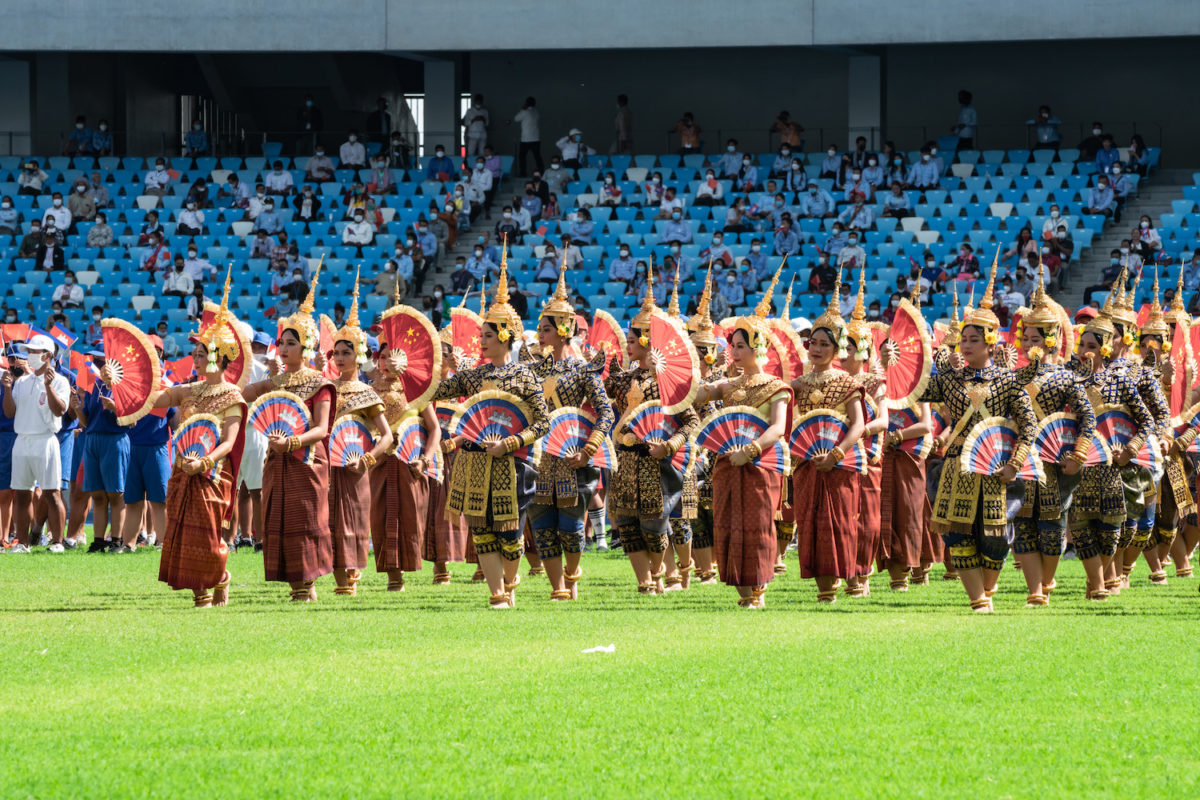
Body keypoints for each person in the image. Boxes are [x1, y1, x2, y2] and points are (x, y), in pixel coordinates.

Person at [433, 252, 550, 608]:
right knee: (481, 531)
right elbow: (435, 392)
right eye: (481, 335)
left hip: (512, 463)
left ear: (505, 336)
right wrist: (423, 370)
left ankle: (509, 585)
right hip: (474, 462)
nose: (481, 341)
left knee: (510, 534)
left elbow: (543, 422)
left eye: (487, 335)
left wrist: (512, 442)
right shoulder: (473, 376)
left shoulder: (525, 376)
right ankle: (496, 593)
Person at [920, 262, 1037, 612]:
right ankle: (977, 599)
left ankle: (986, 587)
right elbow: (911, 391)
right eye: (963, 340)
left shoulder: (1008, 381)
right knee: (958, 533)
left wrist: (1015, 464)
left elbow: (1029, 425)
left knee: (995, 539)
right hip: (958, 466)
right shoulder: (949, 379)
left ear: (990, 342)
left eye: (974, 340)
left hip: (995, 468)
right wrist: (893, 365)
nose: (966, 345)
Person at [692, 272, 791, 607]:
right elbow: (696, 395)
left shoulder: (776, 387)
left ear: (757, 348)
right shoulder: (728, 385)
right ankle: (743, 592)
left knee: (758, 526)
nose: (733, 352)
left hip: (760, 465)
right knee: (728, 525)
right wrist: (679, 367)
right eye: (732, 346)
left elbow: (777, 428)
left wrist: (749, 451)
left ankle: (758, 591)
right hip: (727, 466)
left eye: (740, 346)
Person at [242, 267, 334, 602]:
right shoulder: (274, 383)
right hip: (277, 461)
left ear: (306, 347)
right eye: (281, 342)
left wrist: (292, 442)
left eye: (291, 343)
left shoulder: (320, 383)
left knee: (306, 519)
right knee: (278, 518)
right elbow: (240, 394)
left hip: (307, 461)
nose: (282, 347)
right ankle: (297, 585)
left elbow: (321, 429)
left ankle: (307, 583)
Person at [154, 275, 247, 605]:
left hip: (212, 473)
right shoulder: (188, 390)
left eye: (201, 352)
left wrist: (205, 462)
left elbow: (229, 441)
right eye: (194, 352)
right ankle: (200, 594)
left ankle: (220, 577)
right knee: (182, 533)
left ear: (218, 357)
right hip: (183, 469)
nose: (194, 356)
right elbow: (154, 400)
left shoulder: (232, 395)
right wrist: (121, 389)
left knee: (207, 534)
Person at [605, 270, 699, 594]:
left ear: (647, 341)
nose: (627, 345)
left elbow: (691, 421)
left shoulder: (668, 381)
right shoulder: (620, 380)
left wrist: (669, 446)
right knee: (627, 523)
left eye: (632, 340)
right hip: (624, 459)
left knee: (656, 524)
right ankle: (644, 583)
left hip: (657, 461)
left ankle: (664, 574)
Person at [527, 270, 614, 600]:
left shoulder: (582, 370)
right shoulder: (532, 371)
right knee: (542, 526)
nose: (540, 334)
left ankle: (571, 579)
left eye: (546, 329)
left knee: (571, 527)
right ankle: (557, 588)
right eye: (540, 329)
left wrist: (589, 449)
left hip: (572, 457)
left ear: (564, 332)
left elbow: (605, 412)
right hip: (539, 458)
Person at [1011, 270, 1095, 605]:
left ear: (1051, 339)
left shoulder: (1065, 378)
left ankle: (1045, 580)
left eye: (1035, 338)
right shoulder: (1013, 378)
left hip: (1054, 465)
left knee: (1051, 528)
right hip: (1020, 460)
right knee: (1023, 526)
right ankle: (1035, 590)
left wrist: (1078, 454)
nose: (1028, 344)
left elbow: (1087, 417)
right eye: (1025, 337)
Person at [1070, 279, 1154, 600]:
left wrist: (1131, 449)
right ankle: (1097, 584)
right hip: (1079, 466)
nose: (1084, 352)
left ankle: (1105, 579)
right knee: (1082, 529)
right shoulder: (1069, 379)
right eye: (1082, 345)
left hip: (1114, 469)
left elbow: (1147, 419)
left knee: (1112, 533)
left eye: (1091, 346)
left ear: (1105, 348)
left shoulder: (1122, 381)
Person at [785, 277, 866, 603]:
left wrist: (836, 454)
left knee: (839, 523)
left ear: (836, 349)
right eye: (813, 343)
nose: (816, 349)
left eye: (824, 344)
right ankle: (824, 590)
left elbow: (858, 424)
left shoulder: (847, 383)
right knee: (810, 522)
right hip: (807, 463)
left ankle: (845, 582)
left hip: (840, 464)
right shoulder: (798, 384)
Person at [327, 281, 395, 595]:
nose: (340, 358)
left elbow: (387, 437)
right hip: (328, 468)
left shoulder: (367, 393)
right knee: (328, 523)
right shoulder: (325, 389)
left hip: (356, 470)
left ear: (360, 355)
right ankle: (339, 582)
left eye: (347, 352)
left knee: (352, 523)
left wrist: (366, 459)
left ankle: (351, 580)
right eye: (337, 352)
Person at [2, 335, 70, 553]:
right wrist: (8, 389)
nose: (29, 355)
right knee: (22, 494)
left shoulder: (60, 381)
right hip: (22, 440)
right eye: (29, 351)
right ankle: (22, 543)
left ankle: (57, 542)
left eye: (34, 351)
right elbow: (9, 412)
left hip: (45, 440)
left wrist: (48, 387)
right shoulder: (22, 382)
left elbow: (60, 410)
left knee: (52, 494)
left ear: (47, 355)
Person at [79, 347, 133, 553]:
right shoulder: (93, 386)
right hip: (93, 440)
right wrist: (77, 408)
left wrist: (115, 408)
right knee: (97, 494)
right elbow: (86, 421)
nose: (97, 366)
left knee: (116, 493)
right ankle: (99, 540)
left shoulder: (124, 385)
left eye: (101, 361)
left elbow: (133, 421)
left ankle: (117, 540)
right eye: (95, 361)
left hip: (115, 439)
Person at [508, 97, 543, 176]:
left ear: (526, 103)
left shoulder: (524, 112)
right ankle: (541, 171)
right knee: (537, 156)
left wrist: (522, 109)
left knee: (522, 157)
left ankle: (523, 173)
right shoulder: (536, 112)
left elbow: (516, 118)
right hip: (536, 138)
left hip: (526, 139)